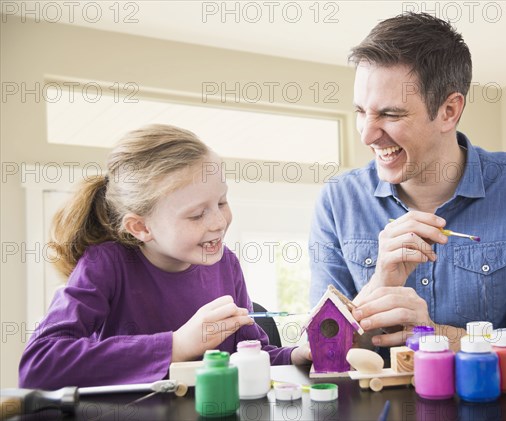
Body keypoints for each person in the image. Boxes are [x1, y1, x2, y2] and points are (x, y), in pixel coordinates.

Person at [309, 13, 506, 351]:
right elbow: (323, 349)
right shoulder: (338, 201)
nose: (367, 134)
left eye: (391, 114)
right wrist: (377, 286)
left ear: (449, 111)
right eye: (361, 112)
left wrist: (439, 338)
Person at [20, 124, 311, 389]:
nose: (219, 222)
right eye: (197, 214)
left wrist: (297, 355)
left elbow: (252, 356)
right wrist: (176, 345)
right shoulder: (105, 264)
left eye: (222, 201)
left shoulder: (226, 264)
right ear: (141, 227)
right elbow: (39, 365)